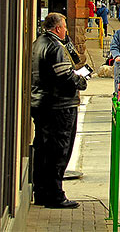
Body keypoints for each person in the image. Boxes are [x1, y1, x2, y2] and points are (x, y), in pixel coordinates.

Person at [31, 13, 88, 209]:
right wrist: (80, 81)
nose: (66, 31)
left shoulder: (38, 43)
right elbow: (65, 77)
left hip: (41, 103)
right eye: (64, 28)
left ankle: (41, 191)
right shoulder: (55, 47)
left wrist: (69, 44)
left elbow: (74, 59)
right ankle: (55, 194)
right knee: (59, 150)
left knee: (43, 149)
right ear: (57, 29)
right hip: (60, 106)